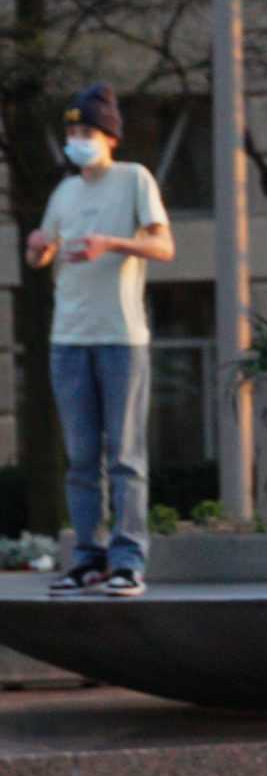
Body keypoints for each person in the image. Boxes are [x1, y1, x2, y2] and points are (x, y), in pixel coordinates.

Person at [26, 85, 174, 598]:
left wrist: (111, 243)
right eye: (70, 133)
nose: (76, 141)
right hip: (68, 338)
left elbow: (164, 245)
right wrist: (38, 249)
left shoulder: (134, 179)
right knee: (81, 458)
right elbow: (42, 255)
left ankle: (128, 561)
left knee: (125, 456)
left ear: (109, 136)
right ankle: (87, 559)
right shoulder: (63, 193)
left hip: (120, 338)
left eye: (85, 132)